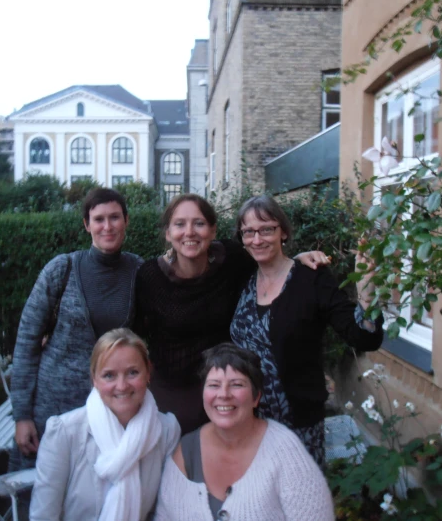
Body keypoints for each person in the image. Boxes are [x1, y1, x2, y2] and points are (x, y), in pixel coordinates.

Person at [134, 194, 329, 434]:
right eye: (179, 224)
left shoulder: (232, 259)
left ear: (213, 230)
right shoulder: (150, 276)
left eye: (199, 223)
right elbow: (136, 334)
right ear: (167, 233)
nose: (190, 232)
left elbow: (270, 265)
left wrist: (297, 261)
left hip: (225, 387)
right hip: (173, 391)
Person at [230, 195, 384, 465]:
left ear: (284, 233)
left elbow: (363, 336)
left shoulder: (312, 279)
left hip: (297, 426)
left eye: (267, 229)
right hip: (246, 422)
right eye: (248, 232)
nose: (257, 239)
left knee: (300, 502)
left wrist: (367, 292)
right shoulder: (241, 278)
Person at [9, 189, 142, 491]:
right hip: (54, 406)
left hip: (112, 407)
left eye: (114, 217)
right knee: (46, 493)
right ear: (87, 224)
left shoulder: (139, 271)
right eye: (98, 219)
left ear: (126, 221)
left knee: (98, 494)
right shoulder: (62, 269)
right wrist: (22, 416)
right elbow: (27, 341)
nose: (107, 226)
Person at [154, 343, 334, 521]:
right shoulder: (186, 452)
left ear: (256, 397)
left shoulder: (285, 451)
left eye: (237, 384)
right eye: (214, 385)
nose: (223, 394)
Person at [31, 328, 180, 521]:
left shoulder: (167, 430)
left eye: (132, 372)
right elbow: (43, 516)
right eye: (109, 375)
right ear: (94, 379)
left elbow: (165, 512)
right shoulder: (64, 433)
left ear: (148, 373)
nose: (122, 385)